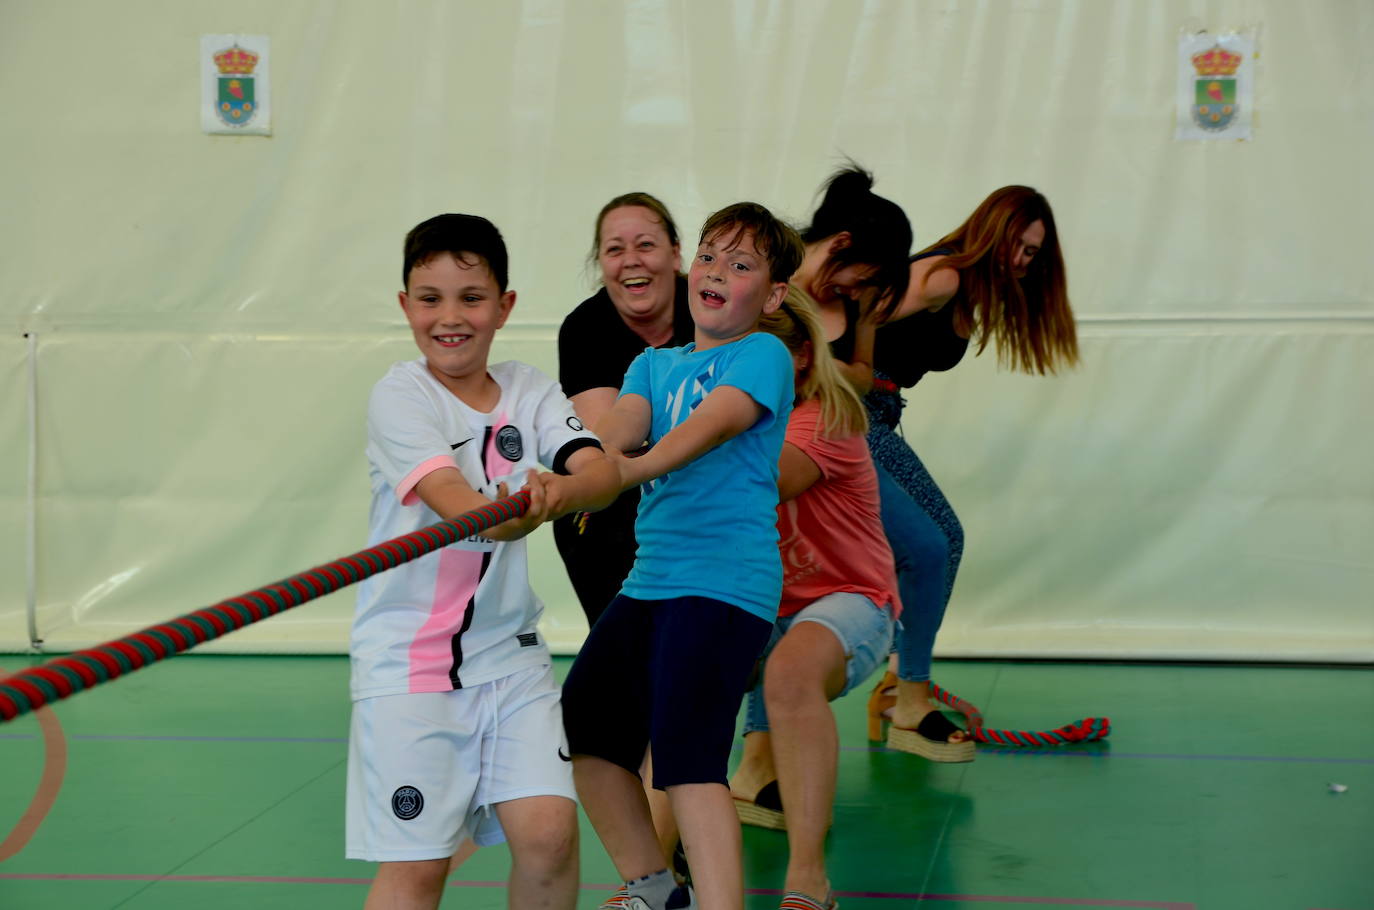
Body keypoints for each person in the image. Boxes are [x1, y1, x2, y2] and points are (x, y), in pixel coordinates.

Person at [347, 214, 621, 910]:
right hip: (411, 667)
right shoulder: (400, 396)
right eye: (430, 298)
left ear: (505, 306)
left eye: (471, 298)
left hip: (509, 656)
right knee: (419, 867)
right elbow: (454, 501)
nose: (450, 317)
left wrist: (558, 490)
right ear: (405, 305)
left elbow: (600, 472)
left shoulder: (529, 389)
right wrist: (514, 511)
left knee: (550, 837)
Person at [559, 202, 804, 910]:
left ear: (773, 294)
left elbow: (707, 428)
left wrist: (625, 474)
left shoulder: (761, 356)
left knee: (689, 760)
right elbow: (620, 430)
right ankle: (658, 890)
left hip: (725, 586)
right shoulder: (651, 363)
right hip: (651, 583)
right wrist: (578, 472)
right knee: (588, 727)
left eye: (741, 263)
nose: (716, 272)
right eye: (709, 255)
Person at [865, 185, 1079, 759]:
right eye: (1016, 243)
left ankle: (899, 682)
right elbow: (853, 314)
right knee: (933, 546)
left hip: (877, 418)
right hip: (851, 415)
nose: (1021, 259)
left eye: (1032, 254)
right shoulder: (944, 277)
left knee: (941, 542)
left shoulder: (967, 289)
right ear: (991, 229)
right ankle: (906, 696)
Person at [728, 288, 900, 910]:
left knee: (791, 670)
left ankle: (807, 881)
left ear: (802, 358)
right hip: (768, 607)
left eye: (764, 355)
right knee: (680, 672)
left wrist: (645, 458)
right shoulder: (734, 415)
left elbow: (763, 484)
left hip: (851, 599)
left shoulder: (823, 416)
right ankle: (653, 876)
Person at [554, 193, 695, 627]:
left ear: (675, 254)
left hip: (704, 491)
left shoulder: (714, 308)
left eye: (646, 245)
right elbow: (611, 446)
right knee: (634, 655)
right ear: (601, 264)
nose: (631, 260)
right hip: (613, 509)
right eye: (615, 249)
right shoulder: (586, 329)